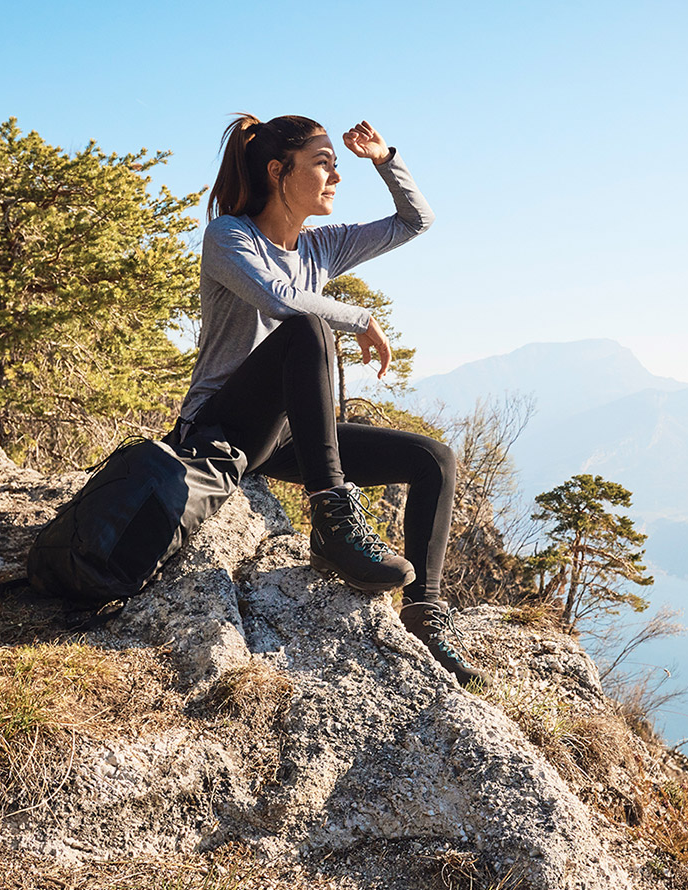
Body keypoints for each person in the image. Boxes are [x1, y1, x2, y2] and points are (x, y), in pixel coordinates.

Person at [177, 113, 484, 687]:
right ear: (278, 171)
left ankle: (425, 614)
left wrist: (385, 160)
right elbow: (280, 299)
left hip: (285, 436)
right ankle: (333, 524)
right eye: (324, 163)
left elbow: (416, 221)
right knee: (308, 326)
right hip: (219, 425)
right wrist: (360, 317)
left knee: (433, 459)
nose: (336, 176)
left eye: (337, 165)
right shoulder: (229, 236)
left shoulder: (321, 248)